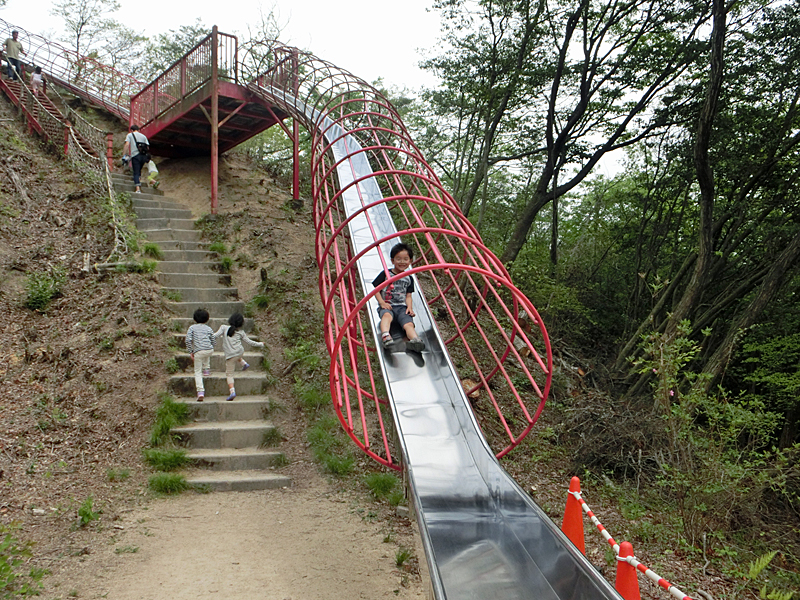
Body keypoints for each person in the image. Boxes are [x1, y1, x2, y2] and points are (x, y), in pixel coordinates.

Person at [372, 242, 425, 352]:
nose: (402, 262)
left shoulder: (409, 278)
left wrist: (409, 307)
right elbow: (376, 289)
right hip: (388, 306)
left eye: (406, 259)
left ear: (410, 261)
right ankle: (386, 336)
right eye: (398, 259)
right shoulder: (386, 274)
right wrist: (382, 303)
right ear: (392, 260)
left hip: (401, 308)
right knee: (386, 316)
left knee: (409, 324)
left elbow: (408, 295)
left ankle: (415, 340)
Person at [214, 313, 264, 401]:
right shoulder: (241, 332)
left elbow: (215, 336)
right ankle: (244, 363)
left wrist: (205, 337)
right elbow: (250, 342)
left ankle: (232, 391)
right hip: (240, 352)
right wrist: (260, 344)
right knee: (236, 355)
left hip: (230, 356)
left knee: (229, 374)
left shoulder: (223, 328)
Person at [185, 308, 215, 402]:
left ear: (195, 319)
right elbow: (213, 339)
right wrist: (212, 346)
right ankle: (206, 369)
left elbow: (188, 340)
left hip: (198, 351)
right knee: (206, 353)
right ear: (207, 319)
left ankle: (200, 392)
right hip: (209, 349)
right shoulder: (208, 328)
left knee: (197, 372)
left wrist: (191, 351)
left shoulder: (192, 328)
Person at [121, 124, 150, 193]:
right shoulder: (143, 136)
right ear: (138, 129)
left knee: (136, 172)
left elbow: (127, 144)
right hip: (143, 156)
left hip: (135, 156)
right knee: (139, 171)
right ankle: (139, 182)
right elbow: (147, 147)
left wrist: (124, 154)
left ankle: (138, 189)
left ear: (131, 130)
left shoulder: (130, 135)